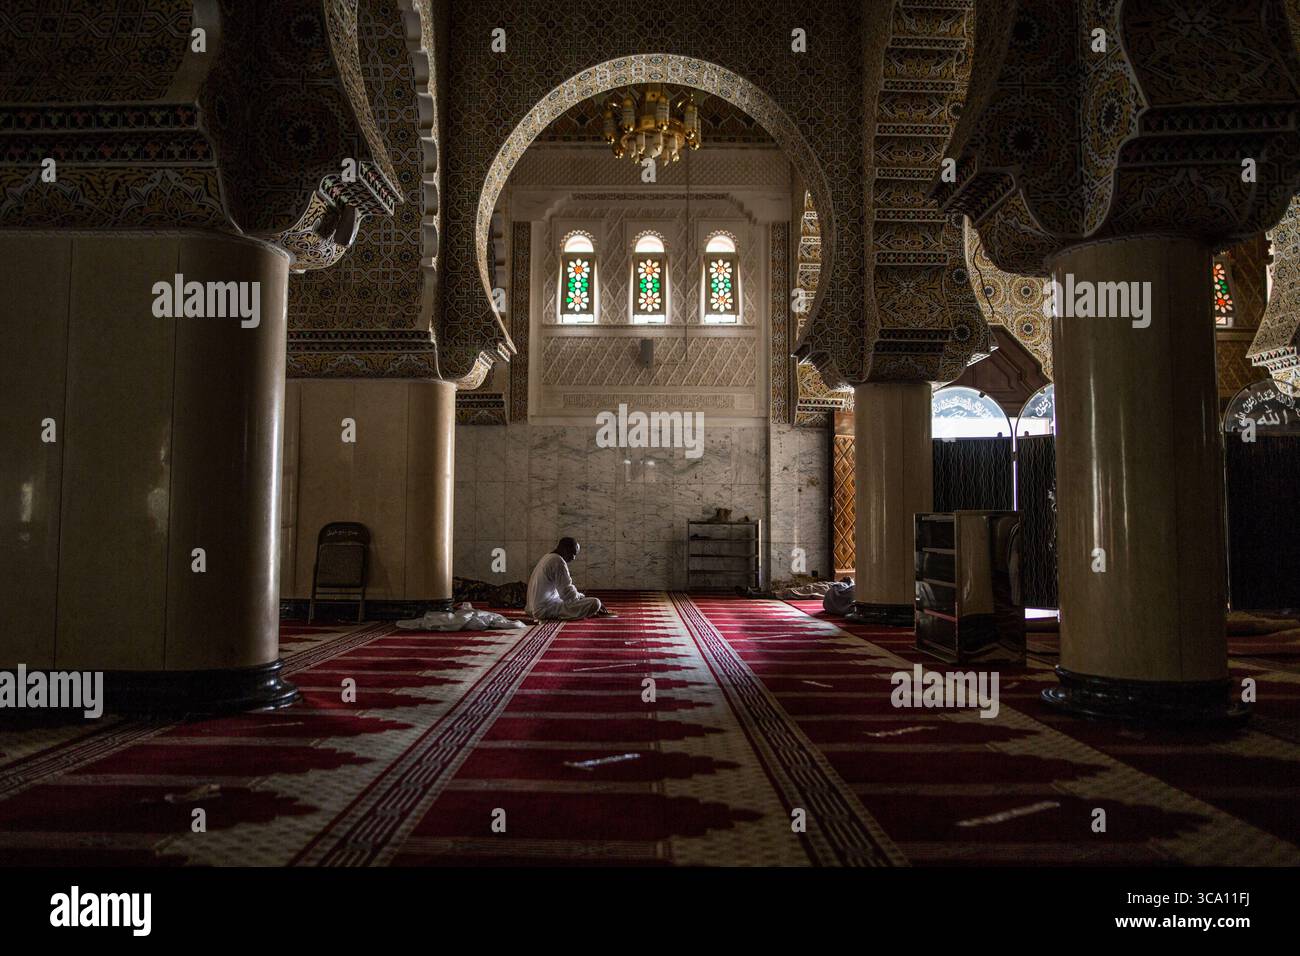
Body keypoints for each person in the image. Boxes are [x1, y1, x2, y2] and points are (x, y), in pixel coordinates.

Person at [525, 537, 617, 621]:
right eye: (572, 553)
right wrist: (584, 599)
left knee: (586, 601)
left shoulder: (548, 557)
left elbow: (565, 593)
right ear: (564, 549)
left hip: (532, 608)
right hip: (544, 609)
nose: (573, 558)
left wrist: (580, 597)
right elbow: (567, 595)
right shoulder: (558, 561)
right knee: (595, 603)